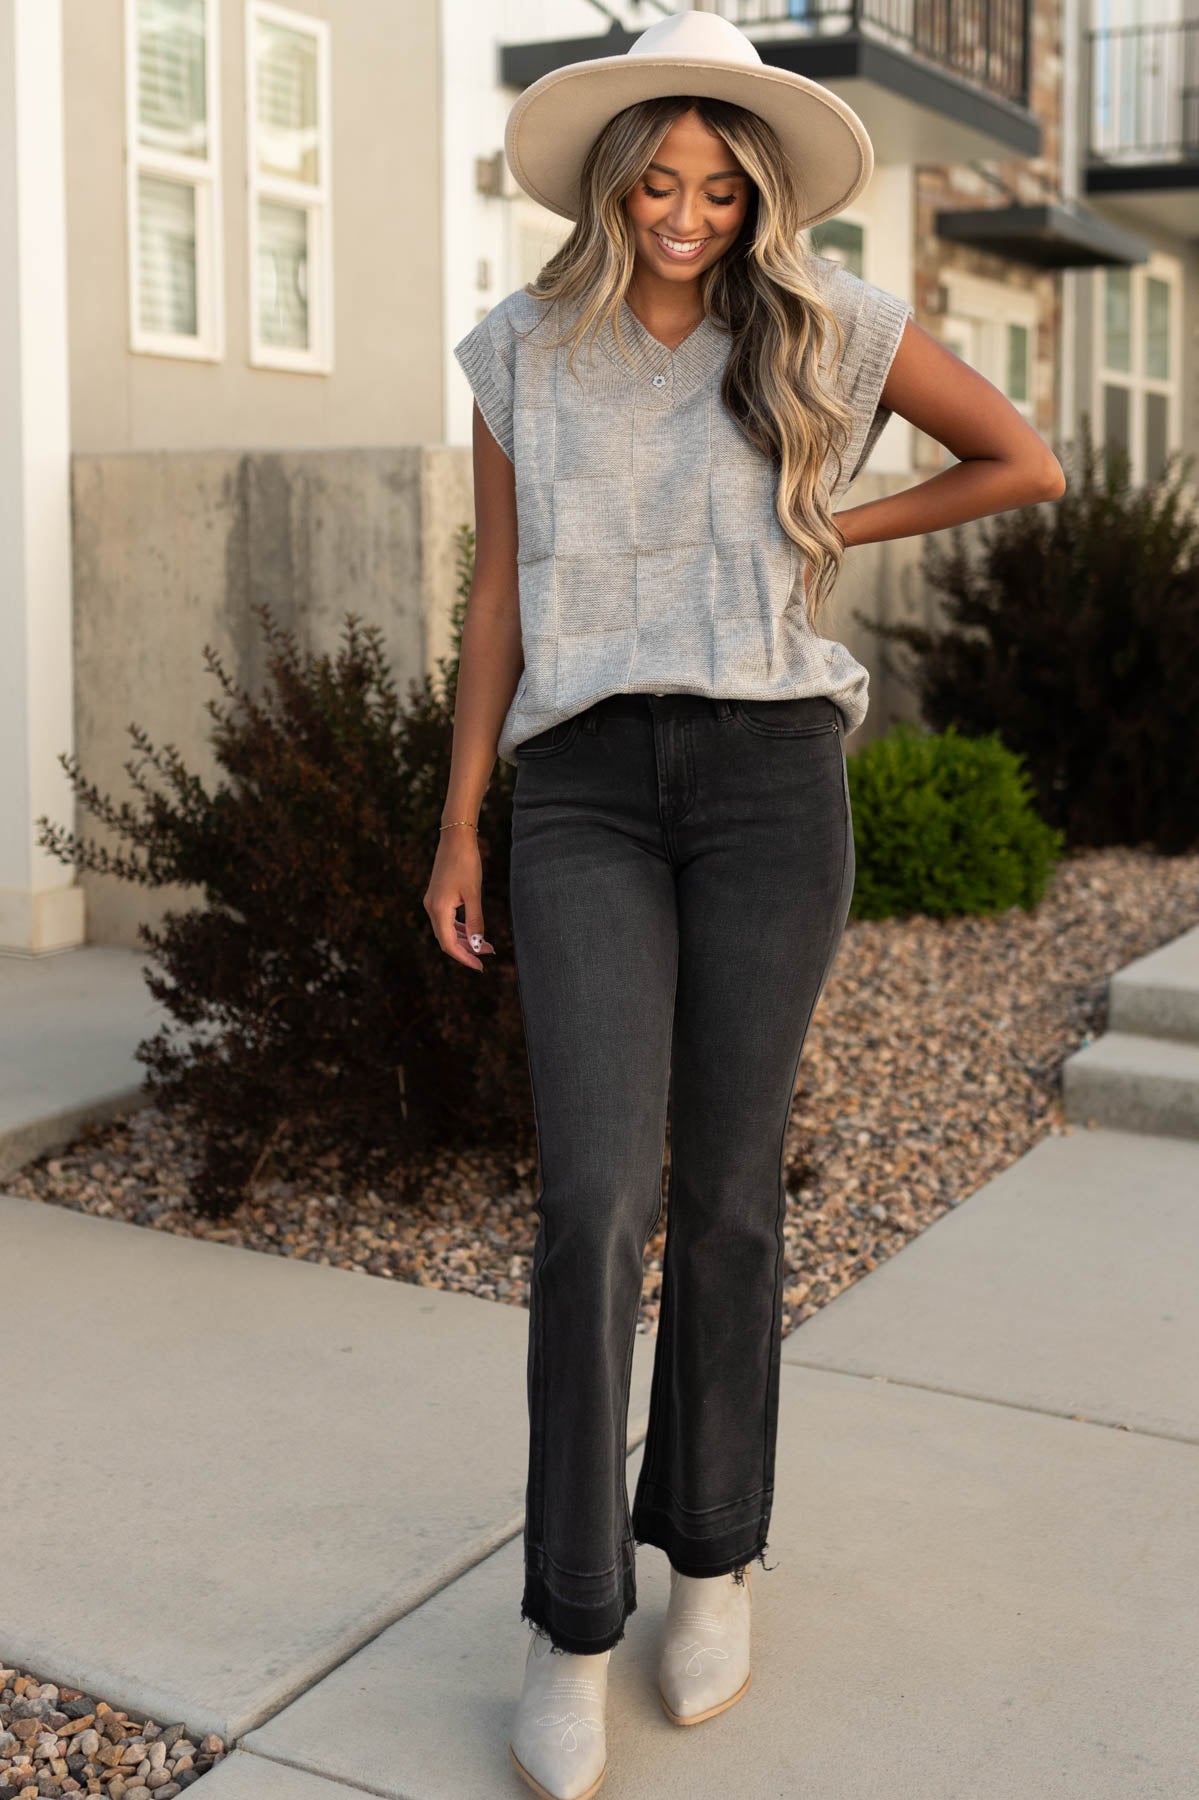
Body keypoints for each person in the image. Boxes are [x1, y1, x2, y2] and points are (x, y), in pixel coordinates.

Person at [425, 12, 1064, 1797]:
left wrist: (816, 527)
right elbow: (497, 602)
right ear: (614, 184)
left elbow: (1025, 461)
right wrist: (461, 821)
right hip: (583, 797)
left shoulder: (830, 329)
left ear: (755, 193)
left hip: (775, 781)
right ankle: (571, 1619)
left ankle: (712, 1556)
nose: (687, 214)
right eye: (661, 183)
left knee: (724, 1194)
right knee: (590, 1200)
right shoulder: (518, 354)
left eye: (719, 187)